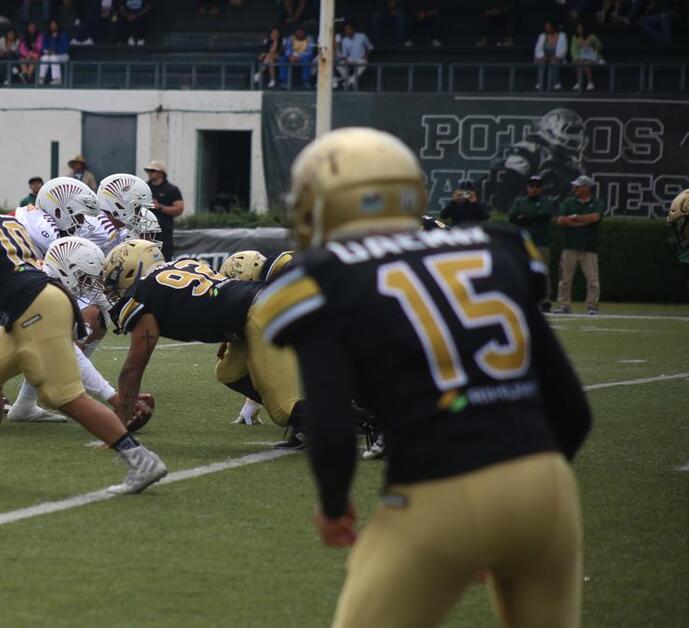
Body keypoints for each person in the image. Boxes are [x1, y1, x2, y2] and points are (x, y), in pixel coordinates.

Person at [252, 127, 590, 628]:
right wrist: (517, 495)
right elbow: (572, 409)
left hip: (438, 493)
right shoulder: (498, 245)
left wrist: (333, 504)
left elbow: (331, 424)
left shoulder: (323, 278)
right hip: (546, 488)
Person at [0, 171, 167, 492]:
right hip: (38, 301)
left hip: (32, 307)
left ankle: (140, 460)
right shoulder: (4, 221)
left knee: (63, 396)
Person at [104, 240, 306, 445]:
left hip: (260, 311)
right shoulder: (183, 265)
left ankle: (320, 419)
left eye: (114, 282)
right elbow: (216, 297)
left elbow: (134, 367)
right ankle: (302, 416)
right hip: (253, 310)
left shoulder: (144, 292)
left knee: (281, 411)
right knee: (229, 372)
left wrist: (118, 426)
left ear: (131, 272)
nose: (113, 292)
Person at [554, 175, 605, 315]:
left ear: (586, 188)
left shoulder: (596, 202)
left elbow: (595, 217)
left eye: (578, 186)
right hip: (569, 246)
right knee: (565, 279)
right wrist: (583, 222)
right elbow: (560, 220)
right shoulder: (568, 202)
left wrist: (575, 217)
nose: (574, 188)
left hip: (589, 246)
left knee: (592, 279)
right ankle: (564, 305)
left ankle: (592, 306)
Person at [509, 176, 557, 310]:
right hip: (523, 242)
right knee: (521, 271)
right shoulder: (520, 201)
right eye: (531, 186)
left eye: (537, 186)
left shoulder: (546, 202)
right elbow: (513, 218)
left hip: (541, 242)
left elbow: (544, 217)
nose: (533, 189)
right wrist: (532, 220)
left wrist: (524, 219)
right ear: (527, 187)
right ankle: (522, 298)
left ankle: (544, 301)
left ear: (541, 188)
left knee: (543, 272)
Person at [144, 161, 183, 258]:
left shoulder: (171, 189)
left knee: (164, 261)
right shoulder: (144, 188)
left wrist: (160, 207)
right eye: (148, 171)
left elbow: (179, 209)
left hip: (164, 235)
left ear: (161, 173)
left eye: (152, 171)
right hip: (145, 233)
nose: (149, 173)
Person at [335, 21, 373, 90]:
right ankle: (349, 80)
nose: (346, 31)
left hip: (360, 59)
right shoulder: (344, 40)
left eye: (348, 29)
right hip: (350, 59)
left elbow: (370, 47)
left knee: (363, 64)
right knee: (338, 65)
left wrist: (366, 55)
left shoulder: (362, 36)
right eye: (345, 30)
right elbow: (344, 55)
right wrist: (345, 60)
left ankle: (349, 81)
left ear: (353, 29)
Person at [534, 20, 567, 92]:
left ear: (553, 27)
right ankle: (539, 83)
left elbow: (563, 50)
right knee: (541, 62)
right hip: (544, 57)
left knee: (553, 62)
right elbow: (538, 48)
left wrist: (555, 57)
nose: (546, 28)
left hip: (557, 58)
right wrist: (542, 57)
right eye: (546, 26)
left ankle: (556, 83)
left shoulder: (562, 36)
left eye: (548, 26)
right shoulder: (542, 36)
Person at [570, 23, 603, 92]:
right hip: (581, 57)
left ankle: (590, 82)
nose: (579, 29)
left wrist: (594, 46)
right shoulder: (575, 38)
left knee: (586, 63)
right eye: (578, 28)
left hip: (593, 57)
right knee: (579, 62)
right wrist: (577, 58)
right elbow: (573, 50)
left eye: (581, 28)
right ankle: (579, 82)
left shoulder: (592, 37)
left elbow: (599, 46)